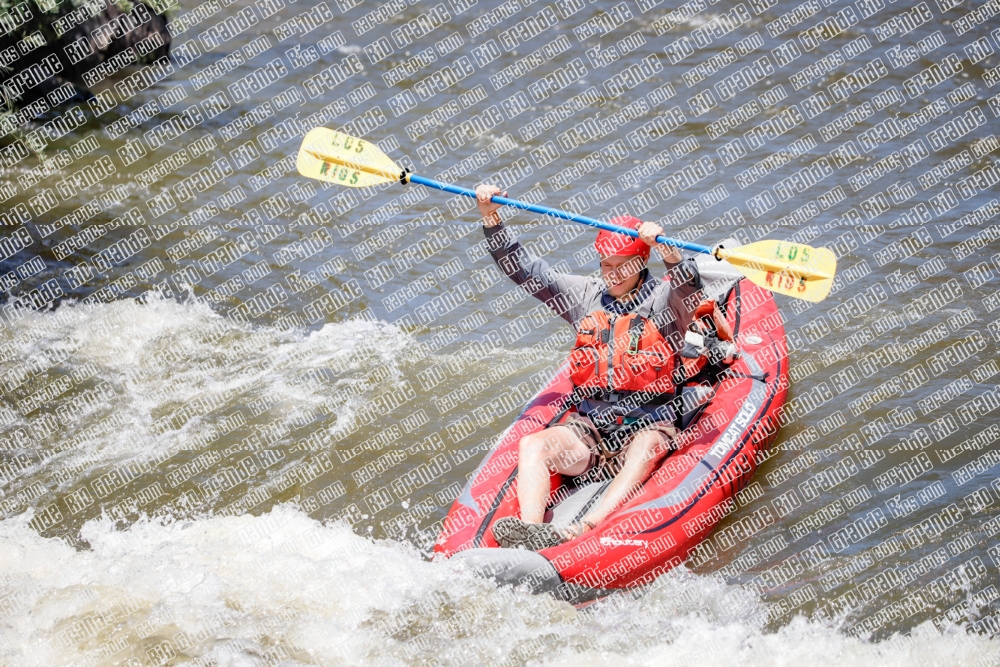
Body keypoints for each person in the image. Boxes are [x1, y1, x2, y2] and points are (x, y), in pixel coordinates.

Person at [475, 183, 707, 552]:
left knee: (646, 445)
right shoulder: (584, 295)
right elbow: (524, 271)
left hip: (649, 423)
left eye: (621, 266)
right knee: (534, 444)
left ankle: (587, 526)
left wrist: (670, 253)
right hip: (592, 429)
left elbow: (691, 293)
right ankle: (532, 531)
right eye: (605, 264)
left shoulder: (665, 300)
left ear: (640, 262)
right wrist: (491, 217)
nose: (611, 273)